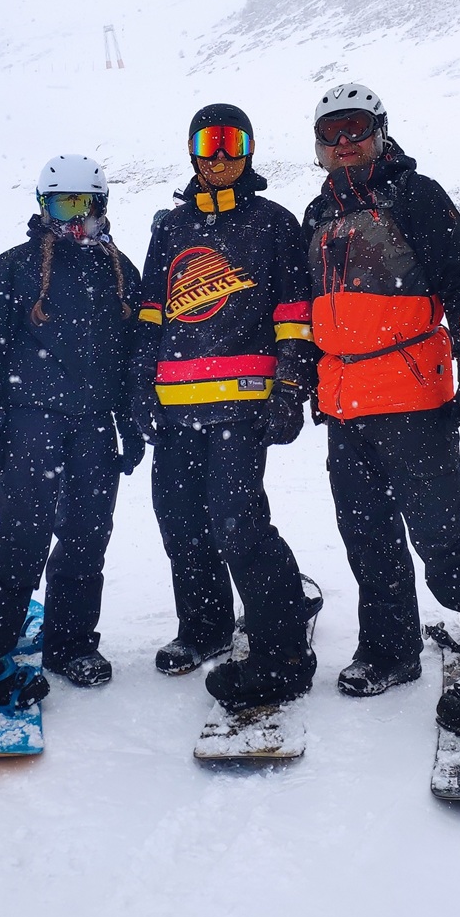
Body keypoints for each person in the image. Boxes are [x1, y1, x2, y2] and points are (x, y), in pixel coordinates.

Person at [302, 81, 460, 738]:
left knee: (443, 540)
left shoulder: (415, 195)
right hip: (345, 407)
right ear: (318, 146)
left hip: (412, 400)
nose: (345, 142)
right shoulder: (317, 213)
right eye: (331, 133)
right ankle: (391, 650)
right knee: (368, 536)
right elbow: (311, 313)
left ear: (380, 132)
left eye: (356, 128)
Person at [132, 103, 317, 713]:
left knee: (237, 523)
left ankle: (281, 640)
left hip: (241, 404)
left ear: (249, 150)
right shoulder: (171, 227)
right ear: (191, 151)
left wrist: (289, 388)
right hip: (176, 406)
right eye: (207, 143)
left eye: (230, 143)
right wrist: (140, 386)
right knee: (180, 521)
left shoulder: (273, 223)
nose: (218, 157)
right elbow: (152, 313)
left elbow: (294, 314)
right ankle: (205, 626)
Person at [0, 156, 144, 713]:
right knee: (22, 537)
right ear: (43, 207)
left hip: (93, 425)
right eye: (61, 204)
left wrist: (130, 421)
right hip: (32, 421)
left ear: (102, 205)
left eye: (84, 204)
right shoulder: (18, 265)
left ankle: (71, 642)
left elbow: (131, 357)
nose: (74, 218)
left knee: (87, 535)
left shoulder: (119, 270)